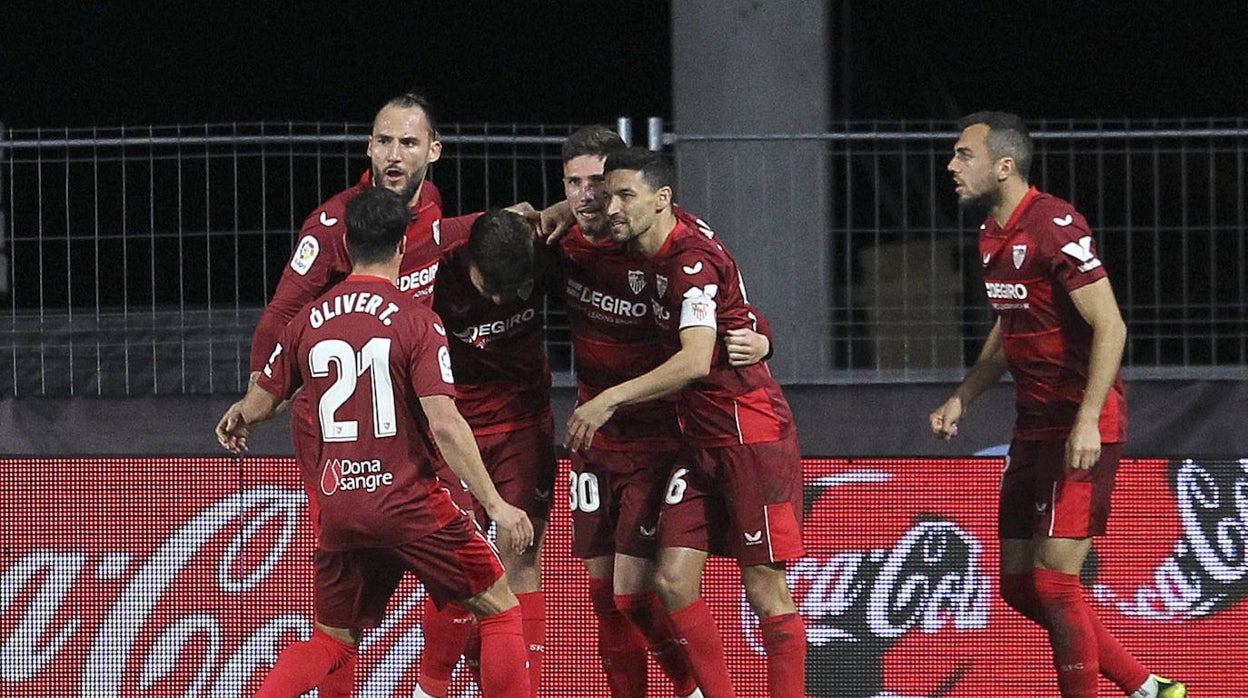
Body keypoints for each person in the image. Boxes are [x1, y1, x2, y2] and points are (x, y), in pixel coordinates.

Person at [216, 187, 534, 698]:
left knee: (331, 642)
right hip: (409, 504)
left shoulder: (308, 320)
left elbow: (264, 401)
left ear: (346, 243)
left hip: (341, 508)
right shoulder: (417, 320)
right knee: (500, 611)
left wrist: (240, 417)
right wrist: (495, 503)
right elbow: (446, 423)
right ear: (402, 245)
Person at [929, 111, 1186, 698]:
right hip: (1034, 426)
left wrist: (1089, 419)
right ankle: (1147, 687)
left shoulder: (1053, 223)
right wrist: (964, 396)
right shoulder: (990, 234)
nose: (951, 166)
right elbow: (1009, 327)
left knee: (1055, 584)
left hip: (1081, 424)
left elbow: (1111, 325)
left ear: (1005, 166)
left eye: (964, 155)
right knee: (1019, 586)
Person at [565, 147, 807, 698]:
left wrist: (608, 400)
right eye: (609, 194)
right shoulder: (656, 234)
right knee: (671, 581)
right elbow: (737, 305)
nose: (612, 207)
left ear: (662, 200)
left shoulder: (688, 261)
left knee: (765, 589)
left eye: (625, 196)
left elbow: (696, 359)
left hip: (748, 437)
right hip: (696, 442)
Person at [420, 208, 560, 697]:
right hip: (456, 430)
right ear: (469, 261)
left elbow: (579, 213)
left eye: (512, 288)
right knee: (461, 568)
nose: (500, 300)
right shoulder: (435, 270)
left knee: (520, 558)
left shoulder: (542, 248)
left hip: (524, 426)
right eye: (490, 287)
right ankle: (432, 688)